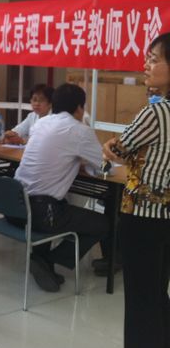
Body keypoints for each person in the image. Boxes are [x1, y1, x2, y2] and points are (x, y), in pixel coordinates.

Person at [103, 32, 170, 348]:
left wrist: (112, 147)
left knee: (140, 300)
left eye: (154, 60)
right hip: (166, 217)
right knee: (157, 293)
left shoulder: (155, 113)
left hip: (142, 216)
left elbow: (117, 148)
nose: (146, 65)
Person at [14, 83, 109, 292]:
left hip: (15, 207)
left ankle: (42, 261)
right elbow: (104, 167)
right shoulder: (80, 131)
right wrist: (106, 157)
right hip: (43, 212)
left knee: (58, 204)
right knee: (103, 224)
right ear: (79, 108)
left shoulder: (40, 123)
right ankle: (48, 259)